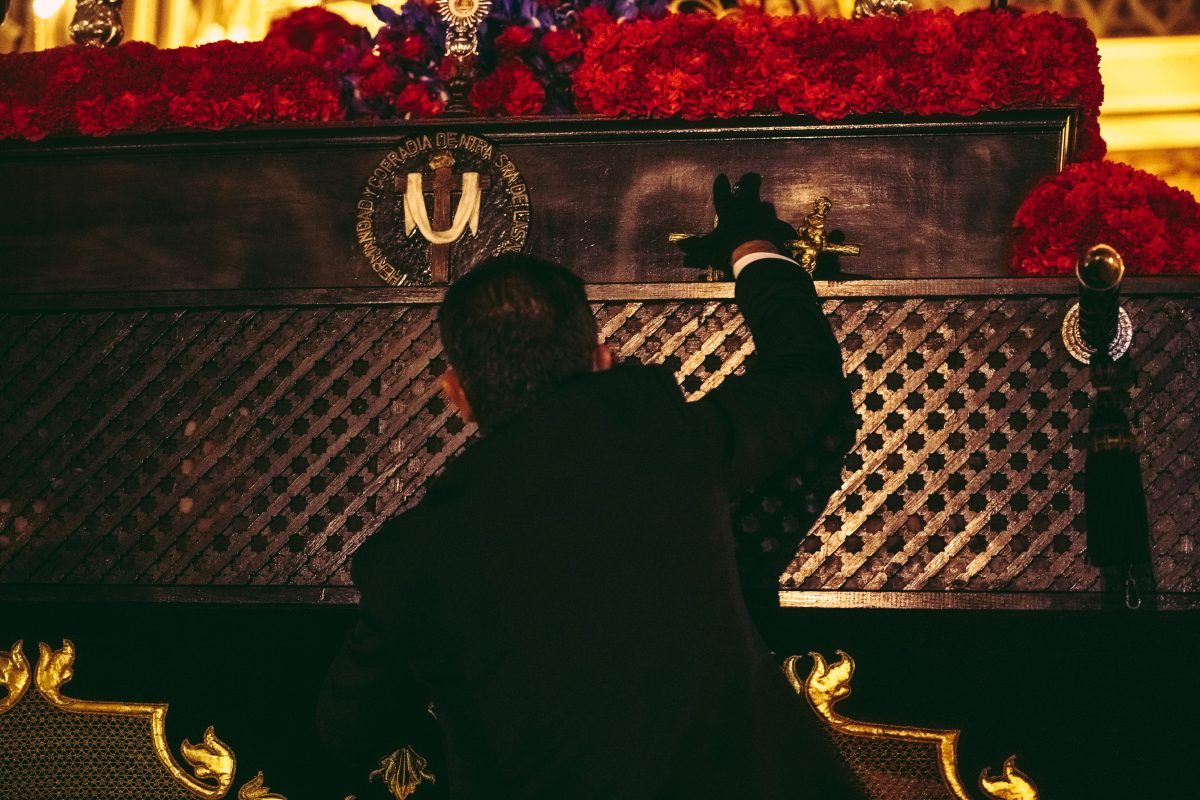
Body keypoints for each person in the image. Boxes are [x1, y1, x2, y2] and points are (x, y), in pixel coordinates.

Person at [316, 175, 862, 799]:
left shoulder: (411, 558)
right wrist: (752, 247)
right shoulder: (667, 440)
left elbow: (349, 725)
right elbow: (803, 375)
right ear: (600, 360)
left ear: (457, 394)